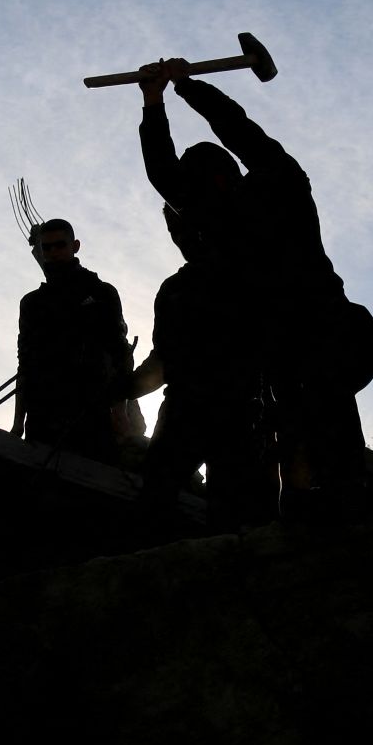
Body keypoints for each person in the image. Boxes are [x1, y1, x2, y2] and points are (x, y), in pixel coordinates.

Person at [136, 57, 373, 521]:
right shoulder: (277, 184)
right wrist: (182, 88)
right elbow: (233, 131)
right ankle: (328, 510)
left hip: (314, 333)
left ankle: (330, 510)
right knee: (309, 433)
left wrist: (158, 99)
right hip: (308, 337)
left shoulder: (254, 200)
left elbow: (169, 172)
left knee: (308, 433)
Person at [132, 204, 273, 530]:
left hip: (241, 416)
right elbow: (161, 360)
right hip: (181, 413)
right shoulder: (172, 290)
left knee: (235, 517)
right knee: (153, 504)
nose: (183, 238)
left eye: (188, 227)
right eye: (174, 232)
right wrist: (123, 388)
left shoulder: (249, 274)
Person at [9, 216, 136, 463]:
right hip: (43, 415)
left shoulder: (101, 293)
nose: (54, 252)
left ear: (75, 246)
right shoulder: (32, 304)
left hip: (91, 412)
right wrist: (17, 424)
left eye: (60, 245)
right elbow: (25, 364)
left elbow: (120, 353)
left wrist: (120, 412)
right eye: (47, 247)